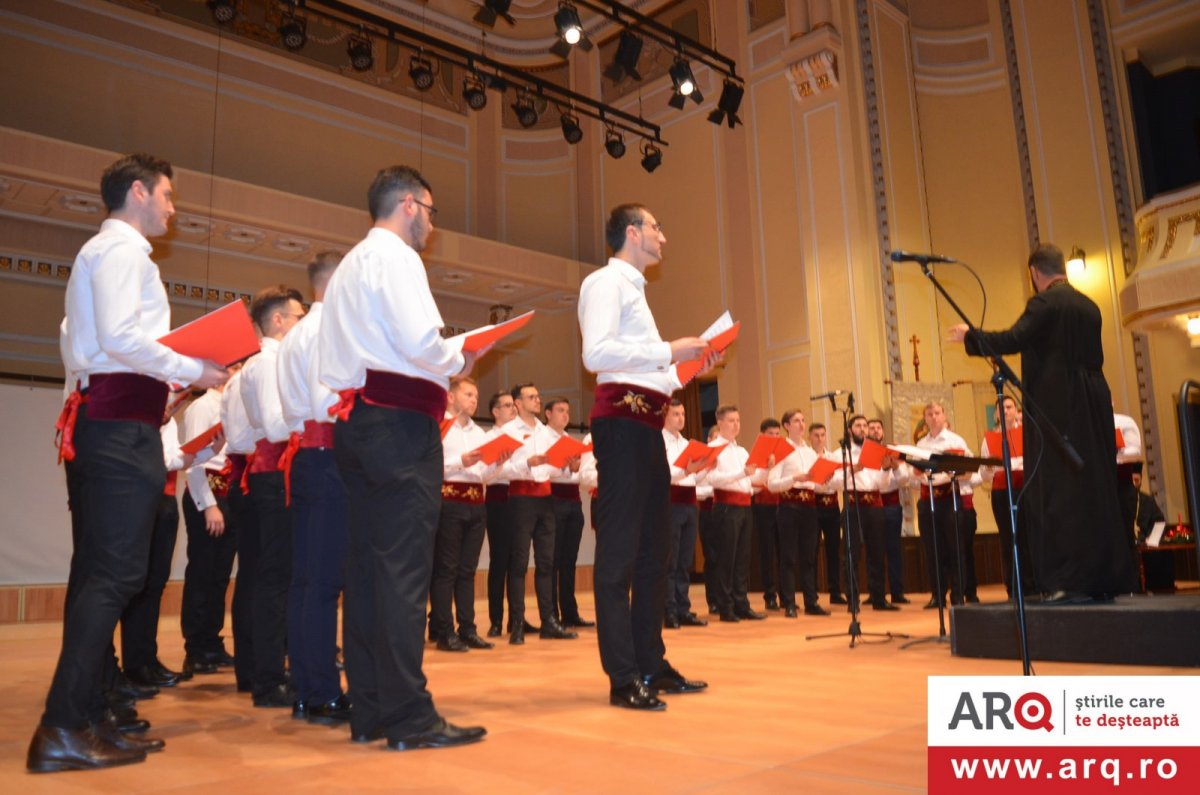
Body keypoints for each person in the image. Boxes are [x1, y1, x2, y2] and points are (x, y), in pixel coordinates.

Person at [31, 153, 227, 773]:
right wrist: (196, 368)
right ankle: (62, 726)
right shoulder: (119, 253)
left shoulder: (110, 254)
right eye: (167, 194)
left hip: (118, 424)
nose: (172, 206)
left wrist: (173, 380)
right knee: (114, 578)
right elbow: (119, 338)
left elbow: (106, 348)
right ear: (138, 192)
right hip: (117, 432)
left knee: (103, 577)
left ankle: (87, 714)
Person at [318, 165, 486, 749]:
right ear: (410, 205)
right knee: (403, 572)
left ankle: (371, 711)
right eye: (432, 213)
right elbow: (423, 343)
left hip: (359, 425)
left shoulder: (346, 270)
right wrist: (464, 355)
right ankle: (411, 717)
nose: (432, 228)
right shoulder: (396, 257)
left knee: (366, 572)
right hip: (400, 428)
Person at [578, 203, 716, 711]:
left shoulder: (636, 290)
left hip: (645, 426)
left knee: (655, 553)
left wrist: (687, 364)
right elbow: (596, 355)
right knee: (618, 556)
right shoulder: (605, 284)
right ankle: (623, 676)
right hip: (620, 428)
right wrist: (666, 349)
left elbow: (652, 377)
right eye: (657, 227)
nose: (665, 236)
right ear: (633, 233)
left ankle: (651, 663)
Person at [949, 243, 1136, 602]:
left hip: (1059, 404)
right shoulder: (1090, 305)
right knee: (1094, 486)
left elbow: (1014, 339)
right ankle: (1105, 575)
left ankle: (1070, 580)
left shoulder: (1045, 304)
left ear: (1035, 273)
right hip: (1093, 401)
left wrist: (971, 337)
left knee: (1060, 492)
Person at [276, 251, 351, 724]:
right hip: (327, 457)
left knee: (306, 581)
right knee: (322, 585)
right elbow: (332, 402)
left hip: (305, 455)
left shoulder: (295, 335)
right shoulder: (328, 330)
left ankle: (307, 685)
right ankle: (321, 691)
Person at [239, 285, 306, 708]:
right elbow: (274, 425)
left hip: (280, 473)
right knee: (274, 579)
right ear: (278, 320)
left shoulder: (275, 361)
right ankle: (267, 678)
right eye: (299, 317)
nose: (303, 325)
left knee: (277, 576)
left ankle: (269, 669)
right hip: (273, 474)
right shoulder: (265, 363)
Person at [432, 376, 509, 651]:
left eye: (476, 396)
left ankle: (467, 628)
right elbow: (429, 466)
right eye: (468, 394)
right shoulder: (440, 426)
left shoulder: (480, 433)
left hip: (477, 503)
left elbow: (482, 475)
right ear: (451, 397)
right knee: (447, 569)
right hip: (449, 501)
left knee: (467, 570)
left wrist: (497, 465)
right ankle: (444, 631)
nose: (474, 400)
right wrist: (458, 462)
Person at [498, 383, 577, 644]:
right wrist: (526, 463)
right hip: (520, 498)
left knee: (546, 563)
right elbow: (499, 469)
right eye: (531, 397)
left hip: (546, 499)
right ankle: (517, 623)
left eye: (538, 396)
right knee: (519, 563)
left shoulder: (546, 433)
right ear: (518, 403)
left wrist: (566, 466)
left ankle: (548, 621)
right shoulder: (508, 431)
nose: (537, 400)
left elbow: (552, 468)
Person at [180, 374, 238, 675]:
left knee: (219, 576)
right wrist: (209, 505)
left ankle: (212, 643)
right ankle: (196, 647)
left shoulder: (229, 406)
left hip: (227, 492)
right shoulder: (202, 407)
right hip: (208, 494)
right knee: (202, 572)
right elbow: (193, 460)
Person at [699, 405, 767, 622]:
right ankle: (725, 606)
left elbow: (747, 482)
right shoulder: (713, 448)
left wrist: (765, 471)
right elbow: (712, 479)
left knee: (742, 558)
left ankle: (741, 603)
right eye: (731, 420)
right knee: (726, 558)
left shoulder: (742, 451)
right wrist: (742, 473)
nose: (736, 424)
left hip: (745, 506)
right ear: (719, 423)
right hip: (726, 507)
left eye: (738, 420)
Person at [908, 401, 975, 607]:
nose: (933, 417)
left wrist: (950, 472)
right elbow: (912, 475)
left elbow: (970, 470)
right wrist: (918, 473)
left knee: (954, 548)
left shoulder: (956, 441)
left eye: (937, 413)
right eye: (929, 414)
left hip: (949, 498)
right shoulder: (920, 445)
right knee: (933, 549)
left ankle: (957, 595)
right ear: (925, 419)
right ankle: (938, 595)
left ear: (944, 416)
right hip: (928, 500)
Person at [829, 415, 897, 611]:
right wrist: (853, 470)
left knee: (877, 552)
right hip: (853, 504)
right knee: (851, 553)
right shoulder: (840, 453)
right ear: (850, 430)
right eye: (858, 426)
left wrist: (885, 470)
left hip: (874, 505)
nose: (863, 429)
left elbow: (883, 485)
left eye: (865, 426)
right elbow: (833, 482)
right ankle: (853, 598)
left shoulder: (876, 451)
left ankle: (878, 598)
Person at [767, 409, 829, 616]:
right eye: (796, 421)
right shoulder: (781, 449)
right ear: (786, 425)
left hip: (810, 507)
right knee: (788, 556)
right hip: (789, 506)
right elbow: (772, 484)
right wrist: (795, 478)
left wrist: (825, 479)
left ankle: (811, 601)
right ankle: (790, 603)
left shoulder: (811, 453)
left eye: (803, 421)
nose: (802, 425)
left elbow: (817, 485)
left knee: (810, 556)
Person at [544, 396, 593, 629]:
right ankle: (551, 614)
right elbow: (542, 471)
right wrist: (565, 466)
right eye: (560, 410)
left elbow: (582, 476)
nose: (565, 415)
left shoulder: (570, 440)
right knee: (552, 560)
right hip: (553, 500)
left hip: (573, 501)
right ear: (548, 414)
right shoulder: (542, 438)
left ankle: (570, 612)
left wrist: (574, 468)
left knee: (569, 560)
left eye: (567, 411)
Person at [978, 395, 1032, 598]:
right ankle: (1013, 586)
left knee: (1029, 536)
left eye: (1009, 406)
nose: (1005, 410)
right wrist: (990, 467)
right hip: (1002, 491)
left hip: (1025, 490)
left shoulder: (1027, 434)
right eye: (1001, 408)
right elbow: (983, 474)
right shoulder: (990, 439)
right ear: (996, 414)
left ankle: (1032, 584)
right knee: (1008, 539)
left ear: (1016, 410)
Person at [661, 399, 708, 628]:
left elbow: (692, 478)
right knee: (669, 559)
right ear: (665, 416)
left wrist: (702, 470)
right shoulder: (658, 441)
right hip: (669, 503)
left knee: (685, 560)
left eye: (682, 413)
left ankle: (683, 608)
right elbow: (661, 475)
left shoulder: (687, 443)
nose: (681, 418)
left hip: (690, 503)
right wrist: (685, 470)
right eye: (675, 414)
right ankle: (668, 609)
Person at [484, 390, 518, 637]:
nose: (512, 408)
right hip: (498, 499)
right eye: (506, 405)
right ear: (495, 412)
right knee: (499, 561)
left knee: (518, 561)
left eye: (512, 404)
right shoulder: (488, 437)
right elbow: (487, 472)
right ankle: (496, 619)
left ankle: (517, 620)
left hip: (521, 498)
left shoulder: (522, 435)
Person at [867, 418, 910, 604]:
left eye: (878, 428)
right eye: (872, 428)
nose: (875, 431)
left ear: (883, 432)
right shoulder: (864, 454)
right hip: (871, 505)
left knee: (893, 550)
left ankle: (897, 592)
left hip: (891, 504)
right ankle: (875, 593)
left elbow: (904, 481)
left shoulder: (894, 452)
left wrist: (896, 468)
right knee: (873, 551)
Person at [808, 423, 844, 603]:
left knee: (833, 549)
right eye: (816, 435)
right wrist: (823, 481)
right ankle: (812, 592)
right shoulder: (807, 457)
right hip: (814, 506)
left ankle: (835, 591)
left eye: (823, 435)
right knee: (812, 550)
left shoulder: (833, 457)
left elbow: (839, 482)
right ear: (810, 437)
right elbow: (811, 484)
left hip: (832, 505)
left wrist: (826, 481)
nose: (820, 439)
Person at [753, 417, 783, 611]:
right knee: (767, 552)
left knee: (784, 552)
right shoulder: (755, 454)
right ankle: (769, 595)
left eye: (777, 434)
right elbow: (753, 481)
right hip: (763, 506)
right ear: (763, 435)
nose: (774, 437)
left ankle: (786, 594)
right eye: (770, 434)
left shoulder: (784, 453)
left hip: (783, 505)